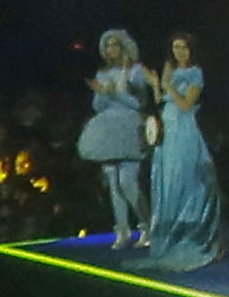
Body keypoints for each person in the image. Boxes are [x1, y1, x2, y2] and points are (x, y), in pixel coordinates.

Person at [150, 28, 220, 272]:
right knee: (169, 182)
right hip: (167, 133)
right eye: (176, 47)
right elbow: (161, 101)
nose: (179, 52)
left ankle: (191, 235)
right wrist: (156, 85)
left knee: (186, 181)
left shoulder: (195, 72)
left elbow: (186, 104)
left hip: (184, 131)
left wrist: (167, 85)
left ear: (191, 50)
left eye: (184, 47)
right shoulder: (170, 69)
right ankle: (169, 236)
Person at [85, 27, 160, 248]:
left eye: (114, 45)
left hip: (129, 127)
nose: (111, 49)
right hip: (107, 129)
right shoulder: (102, 73)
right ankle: (122, 230)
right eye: (107, 46)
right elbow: (98, 106)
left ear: (123, 46)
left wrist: (114, 93)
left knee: (128, 182)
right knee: (113, 183)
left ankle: (146, 227)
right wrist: (102, 94)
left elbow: (139, 104)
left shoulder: (135, 71)